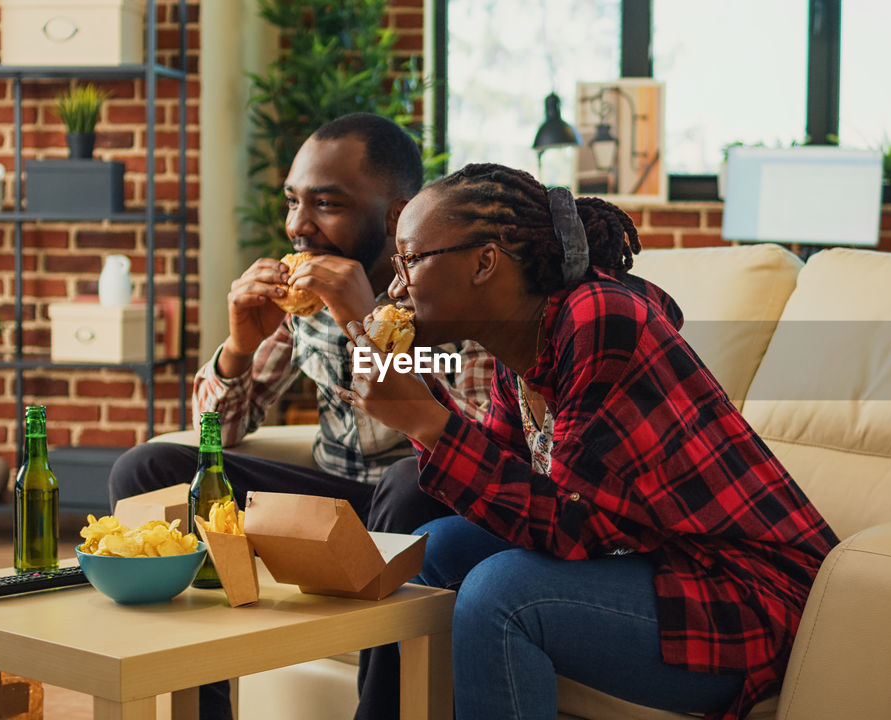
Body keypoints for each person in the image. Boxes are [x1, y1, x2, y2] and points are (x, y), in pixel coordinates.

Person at [339, 163, 839, 720]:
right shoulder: (522, 345)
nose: (393, 285)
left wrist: (429, 423)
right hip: (648, 563)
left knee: (500, 594)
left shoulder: (601, 318)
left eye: (408, 258)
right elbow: (509, 494)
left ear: (484, 261)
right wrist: (423, 407)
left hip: (742, 597)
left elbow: (569, 527)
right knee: (429, 550)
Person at [106, 114, 487, 720]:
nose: (297, 226)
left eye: (326, 204)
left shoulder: (452, 298)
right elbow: (219, 432)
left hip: (422, 507)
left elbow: (479, 443)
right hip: (332, 504)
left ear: (396, 215)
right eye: (292, 202)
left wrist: (363, 320)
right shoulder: (300, 303)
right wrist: (238, 347)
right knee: (149, 469)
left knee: (408, 482)